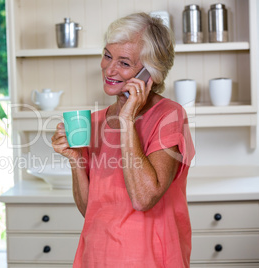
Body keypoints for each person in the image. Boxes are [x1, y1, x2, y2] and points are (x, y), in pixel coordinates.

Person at [51, 13, 195, 267]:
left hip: (148, 258)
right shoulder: (93, 123)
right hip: (97, 255)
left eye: (124, 63)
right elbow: (90, 210)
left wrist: (127, 119)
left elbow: (144, 198)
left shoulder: (169, 116)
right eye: (107, 55)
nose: (109, 69)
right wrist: (75, 160)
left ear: (150, 74)